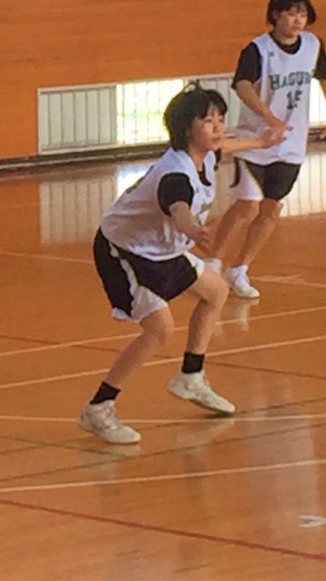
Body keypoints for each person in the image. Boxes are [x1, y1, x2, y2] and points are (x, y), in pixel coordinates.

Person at [77, 87, 283, 444]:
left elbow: (224, 146)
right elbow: (178, 207)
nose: (218, 127)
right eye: (208, 120)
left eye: (220, 119)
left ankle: (191, 376)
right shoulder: (176, 174)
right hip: (125, 251)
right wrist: (194, 231)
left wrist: (260, 143)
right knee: (159, 330)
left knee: (216, 291)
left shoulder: (205, 154)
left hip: (162, 248)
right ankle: (98, 408)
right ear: (188, 129)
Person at [208, 0, 326, 300]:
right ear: (276, 15)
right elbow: (242, 86)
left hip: (291, 143)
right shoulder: (257, 50)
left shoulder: (313, 45)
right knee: (247, 206)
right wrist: (269, 118)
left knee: (271, 208)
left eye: (303, 14)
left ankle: (240, 268)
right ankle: (212, 261)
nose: (298, 20)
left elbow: (325, 78)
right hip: (255, 140)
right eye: (292, 13)